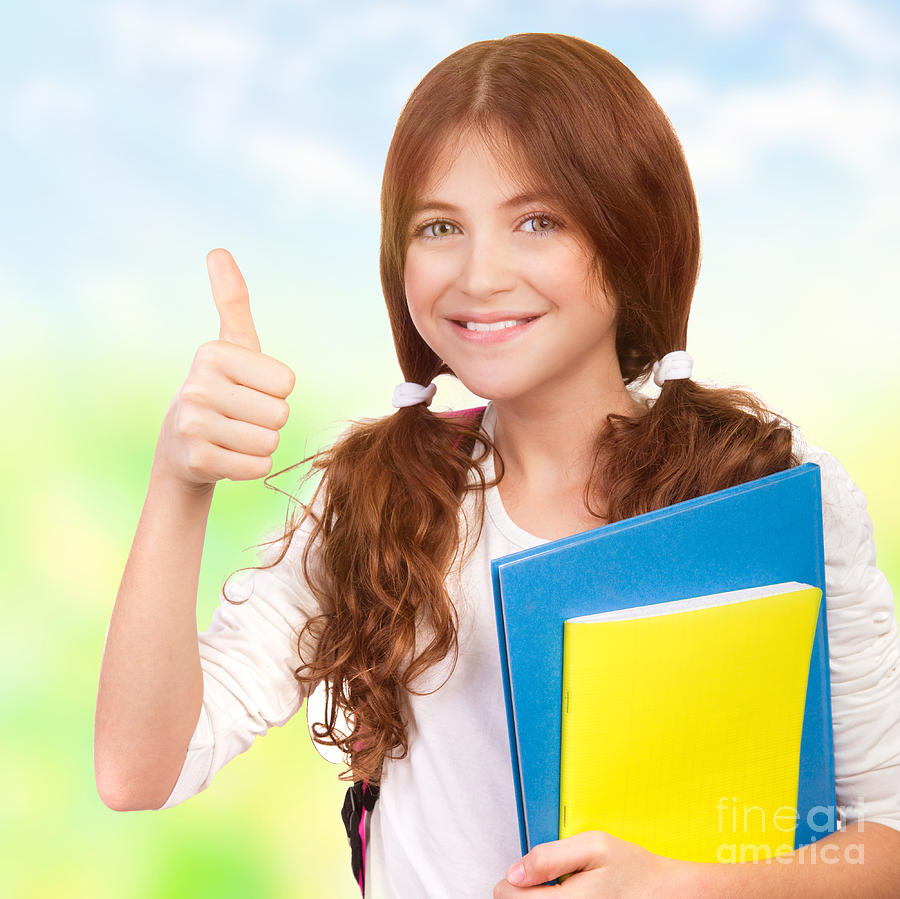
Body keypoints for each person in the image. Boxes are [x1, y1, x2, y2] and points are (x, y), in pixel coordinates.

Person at [94, 32, 900, 898]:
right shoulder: (374, 500)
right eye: (440, 226)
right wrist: (181, 481)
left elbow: (883, 837)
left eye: (537, 221)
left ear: (633, 234)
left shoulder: (770, 491)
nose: (479, 275)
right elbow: (140, 771)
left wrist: (686, 885)